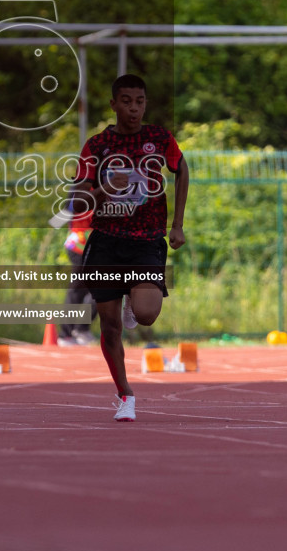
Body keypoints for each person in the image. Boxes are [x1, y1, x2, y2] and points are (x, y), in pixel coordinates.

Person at [69, 74, 189, 423]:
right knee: (109, 328)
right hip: (107, 242)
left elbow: (182, 170)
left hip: (147, 240)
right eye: (126, 101)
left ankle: (134, 307)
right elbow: (76, 203)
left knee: (148, 312)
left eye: (139, 101)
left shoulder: (159, 138)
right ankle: (125, 394)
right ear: (114, 104)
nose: (133, 108)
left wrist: (177, 224)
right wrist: (104, 189)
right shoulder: (97, 145)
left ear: (145, 104)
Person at [58, 203, 96, 345]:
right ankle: (67, 334)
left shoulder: (111, 192)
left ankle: (81, 329)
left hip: (98, 249)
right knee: (77, 290)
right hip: (78, 247)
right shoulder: (80, 191)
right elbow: (58, 220)